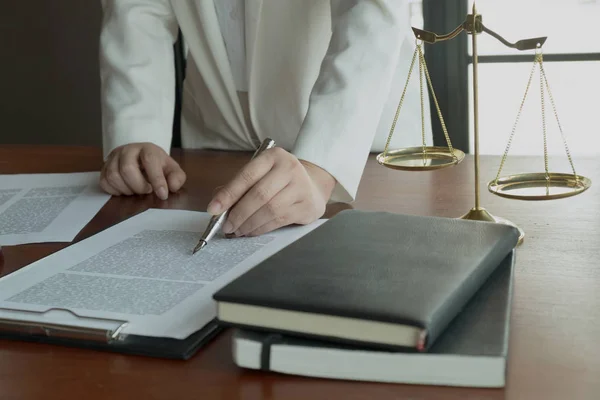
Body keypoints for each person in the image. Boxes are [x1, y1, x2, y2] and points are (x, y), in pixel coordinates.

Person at [98, 0, 431, 237]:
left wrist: (322, 164)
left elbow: (371, 10)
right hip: (215, 146)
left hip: (360, 156)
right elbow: (137, 12)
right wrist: (137, 134)